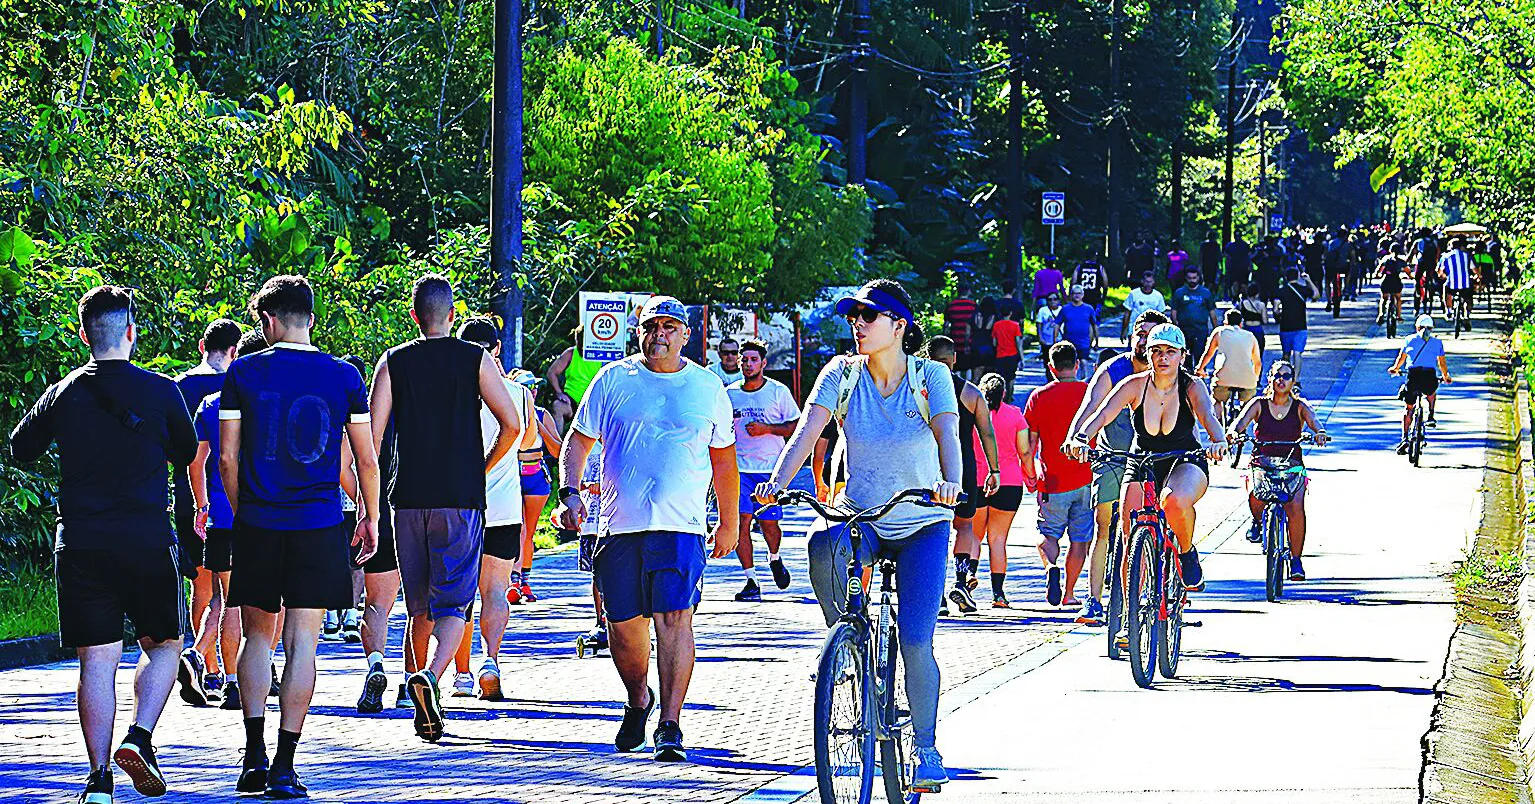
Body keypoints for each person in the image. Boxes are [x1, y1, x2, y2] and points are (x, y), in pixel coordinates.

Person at [752, 278, 962, 788]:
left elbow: (948, 434)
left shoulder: (929, 375)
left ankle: (927, 748)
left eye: (870, 316)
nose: (858, 324)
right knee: (821, 544)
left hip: (922, 523)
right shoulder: (841, 375)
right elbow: (808, 430)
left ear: (900, 326)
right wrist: (776, 484)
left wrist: (951, 483)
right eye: (854, 317)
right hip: (860, 516)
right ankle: (846, 648)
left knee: (915, 640)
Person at [10, 286, 198, 804]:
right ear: (132, 332)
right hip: (145, 537)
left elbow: (20, 448)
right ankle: (139, 738)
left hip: (81, 541)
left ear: (82, 334)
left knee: (97, 660)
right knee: (165, 644)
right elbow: (184, 452)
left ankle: (97, 782)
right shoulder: (161, 391)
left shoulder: (63, 392)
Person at [555, 294, 740, 763]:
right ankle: (639, 697)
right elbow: (577, 442)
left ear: (685, 334)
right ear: (638, 331)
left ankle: (671, 724)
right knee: (624, 628)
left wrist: (729, 523)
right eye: (651, 326)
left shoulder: (707, 386)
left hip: (682, 528)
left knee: (675, 620)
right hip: (619, 527)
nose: (660, 334)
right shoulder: (613, 379)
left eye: (670, 327)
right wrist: (570, 493)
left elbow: (724, 459)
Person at [218, 275, 381, 797]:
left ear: (267, 321)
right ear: (310, 317)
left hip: (260, 523)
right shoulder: (344, 375)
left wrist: (248, 511)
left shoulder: (242, 371)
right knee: (303, 642)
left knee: (257, 638)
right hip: (317, 524)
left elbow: (226, 457)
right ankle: (286, 766)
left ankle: (253, 756)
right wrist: (370, 515)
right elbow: (364, 457)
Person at [366, 274, 523, 742]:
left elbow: (371, 440)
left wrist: (366, 505)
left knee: (418, 604)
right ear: (452, 317)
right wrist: (481, 465)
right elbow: (512, 424)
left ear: (413, 316)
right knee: (455, 599)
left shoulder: (393, 361)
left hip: (406, 498)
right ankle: (432, 677)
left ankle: (417, 697)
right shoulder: (474, 358)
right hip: (460, 496)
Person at [1072, 324, 1228, 592]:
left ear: (1182, 355)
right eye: (1156, 351)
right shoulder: (1134, 385)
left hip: (1185, 460)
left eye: (1170, 351)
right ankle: (1127, 614)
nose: (1163, 358)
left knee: (1174, 500)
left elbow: (1207, 416)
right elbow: (1103, 413)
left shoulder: (1192, 386)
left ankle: (1187, 552)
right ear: (1148, 353)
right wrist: (1082, 437)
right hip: (1142, 460)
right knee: (1128, 535)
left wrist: (1218, 441)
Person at [449, 318, 535, 700]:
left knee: (460, 593)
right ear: (497, 348)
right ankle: (491, 660)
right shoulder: (517, 394)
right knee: (496, 590)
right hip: (503, 507)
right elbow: (527, 443)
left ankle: (462, 674)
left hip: (460, 504)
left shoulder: (452, 390)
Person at [186, 330, 270, 713]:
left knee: (224, 599)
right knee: (263, 603)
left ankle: (230, 680)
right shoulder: (268, 402)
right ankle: (255, 672)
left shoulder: (210, 403)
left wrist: (201, 504)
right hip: (261, 515)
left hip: (220, 517)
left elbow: (196, 459)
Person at [1065, 312, 1165, 625]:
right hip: (1113, 457)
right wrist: (1075, 437)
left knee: (1160, 522)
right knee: (1103, 522)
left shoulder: (1168, 372)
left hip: (1154, 460)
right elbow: (1090, 406)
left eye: (1150, 335)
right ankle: (1093, 601)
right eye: (1139, 333)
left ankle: (1161, 592)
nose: (1143, 340)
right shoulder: (1114, 369)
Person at [170, 318, 242, 707]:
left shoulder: (180, 388)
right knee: (234, 593)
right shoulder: (237, 388)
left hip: (192, 498)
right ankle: (220, 665)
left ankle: (209, 666)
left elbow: (177, 450)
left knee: (202, 584)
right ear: (235, 352)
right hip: (234, 505)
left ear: (202, 345)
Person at [1230, 361, 1329, 581]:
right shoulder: (1259, 404)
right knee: (1256, 494)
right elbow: (1240, 422)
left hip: (1292, 464)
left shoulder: (1300, 406)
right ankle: (1256, 521)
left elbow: (1314, 421)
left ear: (1293, 381)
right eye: (1277, 376)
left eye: (1286, 376)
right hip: (1262, 463)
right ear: (1269, 379)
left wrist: (1320, 431)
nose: (1281, 380)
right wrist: (1232, 433)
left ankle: (1296, 560)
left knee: (1295, 508)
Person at [927, 336, 1000, 613]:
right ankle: (959, 581)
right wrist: (994, 470)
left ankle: (935, 592)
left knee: (930, 530)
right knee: (964, 526)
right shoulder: (970, 393)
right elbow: (987, 433)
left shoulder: (919, 391)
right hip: (963, 467)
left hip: (928, 467)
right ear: (954, 359)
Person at [1023, 343, 1096, 609]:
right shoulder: (1090, 393)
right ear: (1077, 364)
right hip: (1086, 478)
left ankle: (1050, 566)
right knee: (1081, 539)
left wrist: (1030, 473)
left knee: (1048, 534)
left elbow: (1030, 443)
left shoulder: (1038, 397)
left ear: (1051, 368)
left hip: (1052, 480)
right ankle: (1069, 593)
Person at [727, 338, 800, 602]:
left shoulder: (778, 392)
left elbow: (796, 426)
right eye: (743, 359)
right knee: (741, 524)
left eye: (753, 359)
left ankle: (775, 558)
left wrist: (767, 429)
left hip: (770, 470)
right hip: (739, 470)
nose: (747, 364)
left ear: (763, 363)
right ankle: (751, 580)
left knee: (769, 524)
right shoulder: (730, 393)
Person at [973, 373, 1026, 607]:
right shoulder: (1015, 415)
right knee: (998, 539)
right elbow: (1024, 450)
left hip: (975, 479)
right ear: (1004, 393)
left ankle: (966, 580)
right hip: (1009, 482)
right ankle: (998, 594)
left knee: (973, 535)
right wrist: (1031, 475)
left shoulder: (974, 414)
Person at [1388, 314, 1454, 452]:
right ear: (1432, 328)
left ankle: (1404, 438)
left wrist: (1395, 369)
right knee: (1431, 390)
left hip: (1413, 376)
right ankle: (1431, 414)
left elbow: (1401, 358)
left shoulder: (1409, 340)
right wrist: (1446, 376)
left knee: (1409, 408)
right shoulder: (1437, 343)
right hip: (1428, 376)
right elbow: (1442, 363)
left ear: (1417, 327)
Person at [1195, 310, 1262, 426]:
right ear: (1241, 323)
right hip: (1247, 380)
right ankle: (1242, 424)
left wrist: (1200, 369)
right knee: (1247, 402)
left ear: (1225, 322)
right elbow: (1258, 363)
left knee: (1217, 400)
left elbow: (1208, 354)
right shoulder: (1250, 336)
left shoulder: (1220, 332)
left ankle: (1219, 424)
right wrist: (1254, 379)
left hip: (1223, 379)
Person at [546, 327, 603, 432]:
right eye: (579, 341)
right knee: (557, 407)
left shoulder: (602, 354)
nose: (581, 345)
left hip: (593, 401)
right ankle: (556, 445)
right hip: (571, 399)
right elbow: (552, 372)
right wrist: (559, 393)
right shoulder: (571, 353)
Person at [1169, 268, 1218, 370]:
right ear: (1186, 278)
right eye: (1190, 278)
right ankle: (1186, 381)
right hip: (1184, 330)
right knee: (1185, 358)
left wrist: (1216, 330)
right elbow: (1174, 311)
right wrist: (1175, 326)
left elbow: (1212, 312)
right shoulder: (1179, 292)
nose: (1192, 280)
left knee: (1200, 357)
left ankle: (1200, 380)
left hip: (1200, 330)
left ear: (1198, 278)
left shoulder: (1205, 293)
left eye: (1194, 278)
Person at [1276, 267, 1318, 382]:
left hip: (1285, 326)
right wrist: (1308, 280)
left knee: (1286, 355)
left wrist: (1279, 312)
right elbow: (1316, 295)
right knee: (1298, 353)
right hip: (1301, 326)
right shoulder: (1303, 290)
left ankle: (1285, 378)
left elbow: (1275, 308)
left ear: (1286, 277)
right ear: (1298, 276)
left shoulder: (1281, 291)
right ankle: (1296, 379)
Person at [1054, 284, 1098, 362]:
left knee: (1084, 363)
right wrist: (1055, 340)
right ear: (1071, 295)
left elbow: (1094, 325)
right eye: (1075, 293)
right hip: (1068, 343)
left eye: (1079, 293)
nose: (1077, 295)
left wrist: (1096, 341)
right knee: (1069, 364)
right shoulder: (1065, 309)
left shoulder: (1089, 309)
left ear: (1083, 295)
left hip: (1084, 343)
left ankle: (1084, 375)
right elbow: (1057, 324)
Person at [943, 280, 980, 373]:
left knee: (956, 366)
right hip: (970, 340)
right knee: (969, 366)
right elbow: (977, 323)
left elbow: (946, 325)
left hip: (954, 339)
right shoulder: (973, 306)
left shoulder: (951, 305)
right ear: (968, 291)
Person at [1121, 271, 1167, 341]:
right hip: (1135, 330)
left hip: (1152, 332)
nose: (1148, 284)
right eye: (1146, 281)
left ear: (1153, 282)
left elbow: (1162, 314)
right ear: (1142, 281)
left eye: (1150, 282)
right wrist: (1124, 330)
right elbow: (1127, 312)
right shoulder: (1134, 294)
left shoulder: (1158, 296)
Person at [1439, 238, 1476, 324]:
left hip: (1452, 283)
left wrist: (1443, 276)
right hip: (1465, 284)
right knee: (1468, 296)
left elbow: (1440, 271)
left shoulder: (1445, 257)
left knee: (1446, 289)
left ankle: (1448, 310)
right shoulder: (1467, 255)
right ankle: (1467, 313)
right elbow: (1474, 269)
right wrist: (1478, 276)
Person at [990, 306, 1023, 401]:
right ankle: (1009, 397)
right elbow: (1018, 342)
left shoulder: (996, 325)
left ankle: (1001, 398)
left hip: (1000, 355)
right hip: (1012, 355)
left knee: (1002, 377)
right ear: (1010, 313)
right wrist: (1021, 357)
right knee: (1011, 378)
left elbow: (994, 343)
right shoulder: (1015, 325)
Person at [1411, 228, 1441, 315]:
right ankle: (1434, 287)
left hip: (1421, 263)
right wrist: (1437, 262)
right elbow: (1438, 253)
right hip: (1431, 264)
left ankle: (1418, 292)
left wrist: (1407, 261)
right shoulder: (1435, 242)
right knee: (1434, 278)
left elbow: (1412, 253)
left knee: (1417, 278)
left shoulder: (1418, 242)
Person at [1377, 243, 1407, 324]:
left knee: (1384, 298)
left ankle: (1381, 314)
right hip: (1396, 281)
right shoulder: (1401, 261)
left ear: (1390, 250)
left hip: (1386, 281)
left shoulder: (1385, 259)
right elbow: (1407, 271)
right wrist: (1411, 277)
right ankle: (1399, 316)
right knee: (1398, 298)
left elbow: (1378, 270)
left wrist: (1377, 275)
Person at [1035, 293, 1062, 378]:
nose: (1052, 301)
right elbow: (1039, 325)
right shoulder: (1043, 310)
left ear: (1058, 300)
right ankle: (1049, 380)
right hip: (1046, 340)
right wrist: (1040, 337)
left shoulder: (1062, 310)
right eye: (1050, 299)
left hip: (1059, 340)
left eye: (1055, 299)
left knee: (1059, 361)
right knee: (1048, 362)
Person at [1235, 282, 1268, 352]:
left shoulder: (1242, 303)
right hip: (1258, 329)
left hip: (1247, 328)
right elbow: (1265, 321)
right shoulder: (1261, 305)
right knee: (1258, 352)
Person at [1223, 234, 1253, 299]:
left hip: (1237, 268)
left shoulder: (1230, 246)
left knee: (1237, 283)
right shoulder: (1245, 245)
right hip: (1240, 268)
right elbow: (1249, 256)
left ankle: (1237, 297)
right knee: (1241, 283)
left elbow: (1227, 257)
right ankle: (1242, 297)